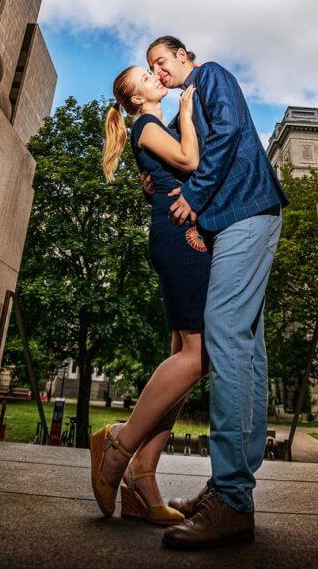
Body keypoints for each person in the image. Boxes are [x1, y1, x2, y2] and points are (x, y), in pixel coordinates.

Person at [146, 36, 289, 550]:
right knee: (246, 344)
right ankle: (230, 489)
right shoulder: (189, 94)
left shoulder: (211, 76)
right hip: (239, 219)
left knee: (224, 333)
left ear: (185, 55)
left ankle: (230, 499)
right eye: (153, 70)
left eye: (162, 63)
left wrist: (195, 196)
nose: (159, 74)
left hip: (246, 212)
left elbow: (227, 133)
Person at [90, 66, 212, 526]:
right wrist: (185, 110)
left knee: (185, 354)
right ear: (134, 97)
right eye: (146, 75)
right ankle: (120, 446)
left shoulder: (146, 126)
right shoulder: (146, 124)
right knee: (199, 354)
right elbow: (189, 162)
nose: (156, 76)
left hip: (177, 234)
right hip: (179, 239)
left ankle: (144, 478)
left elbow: (163, 178)